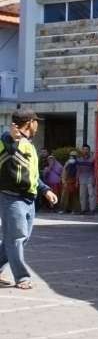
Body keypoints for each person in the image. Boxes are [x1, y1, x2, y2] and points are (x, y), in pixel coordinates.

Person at [0, 109, 58, 289]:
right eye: (36, 122)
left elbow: (33, 175)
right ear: (29, 122)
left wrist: (45, 190)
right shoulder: (4, 140)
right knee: (16, 238)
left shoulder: (30, 145)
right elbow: (8, 153)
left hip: (29, 200)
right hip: (11, 198)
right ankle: (22, 277)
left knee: (18, 239)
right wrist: (12, 138)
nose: (37, 125)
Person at [76, 144, 95, 214]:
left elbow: (94, 170)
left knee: (91, 194)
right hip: (82, 178)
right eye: (84, 149)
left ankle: (92, 209)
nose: (85, 151)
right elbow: (78, 170)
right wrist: (77, 180)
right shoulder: (79, 159)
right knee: (82, 195)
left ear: (89, 150)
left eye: (87, 149)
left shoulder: (93, 159)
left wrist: (94, 179)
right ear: (82, 150)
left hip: (90, 177)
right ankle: (83, 209)